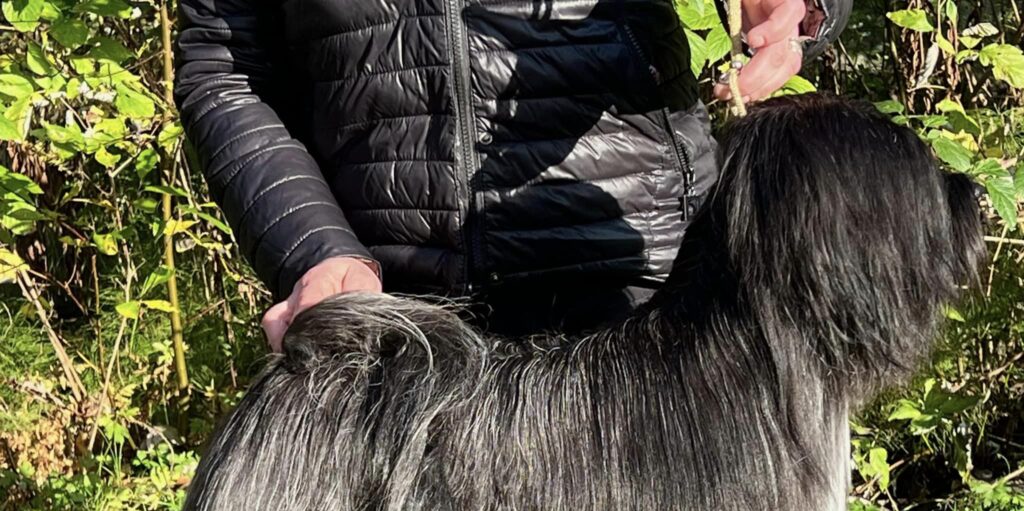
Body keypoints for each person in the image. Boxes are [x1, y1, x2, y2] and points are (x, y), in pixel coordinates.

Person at [174, 0, 851, 348]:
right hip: (400, 314)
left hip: (638, 276)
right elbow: (226, 72)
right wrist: (318, 251)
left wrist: (796, 6)